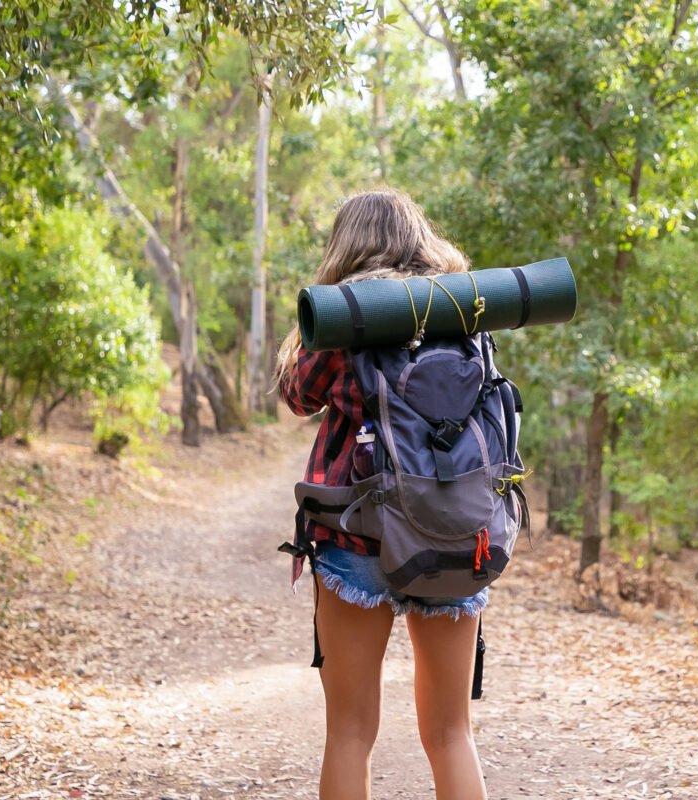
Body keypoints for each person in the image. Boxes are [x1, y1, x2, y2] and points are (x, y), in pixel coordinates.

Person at [275, 188, 489, 800]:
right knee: (452, 734)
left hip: (353, 534)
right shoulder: (463, 310)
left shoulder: (347, 318)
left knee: (348, 731)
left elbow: (298, 396)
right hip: (452, 533)